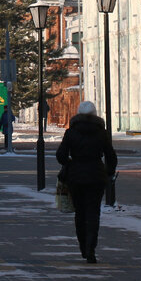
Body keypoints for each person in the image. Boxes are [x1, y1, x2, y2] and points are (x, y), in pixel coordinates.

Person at [56, 100, 117, 264]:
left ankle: (83, 246)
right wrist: (108, 172)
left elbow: (61, 155)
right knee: (93, 212)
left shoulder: (71, 133)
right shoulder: (101, 133)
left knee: (80, 212)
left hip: (76, 176)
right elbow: (111, 156)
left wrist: (70, 164)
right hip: (96, 175)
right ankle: (91, 247)